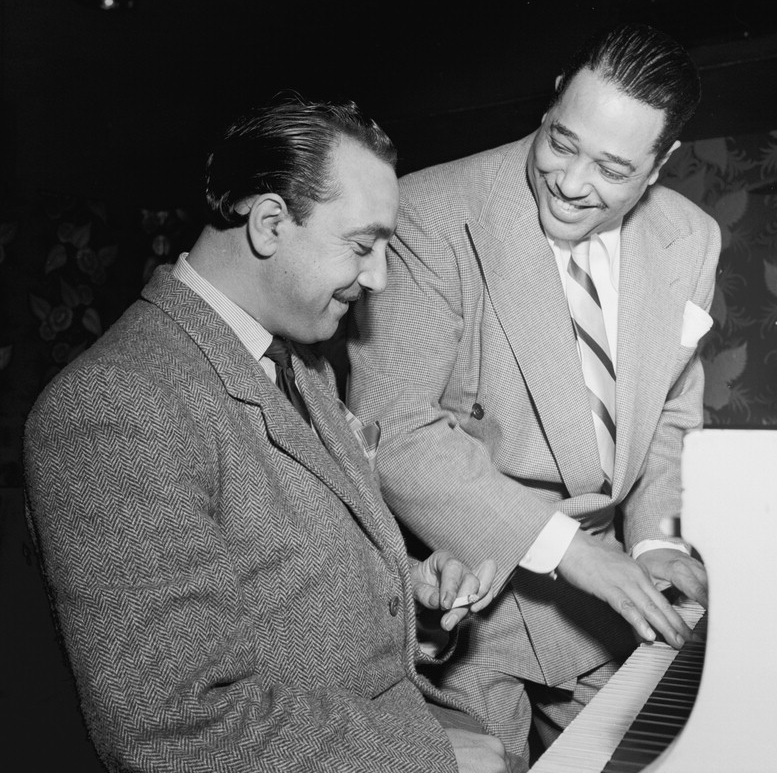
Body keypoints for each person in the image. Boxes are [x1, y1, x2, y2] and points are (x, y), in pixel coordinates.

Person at [23, 93, 524, 773]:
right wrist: (431, 756)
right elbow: (174, 728)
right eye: (362, 246)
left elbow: (287, 587)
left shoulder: (302, 365)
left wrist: (411, 598)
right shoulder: (112, 406)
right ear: (267, 223)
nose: (378, 277)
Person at [348, 23, 720, 760]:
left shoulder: (693, 236)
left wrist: (652, 541)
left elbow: (671, 413)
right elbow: (397, 431)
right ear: (552, 100)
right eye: (561, 142)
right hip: (462, 600)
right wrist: (568, 551)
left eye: (612, 169)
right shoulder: (429, 211)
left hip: (607, 597)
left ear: (661, 164)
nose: (572, 183)